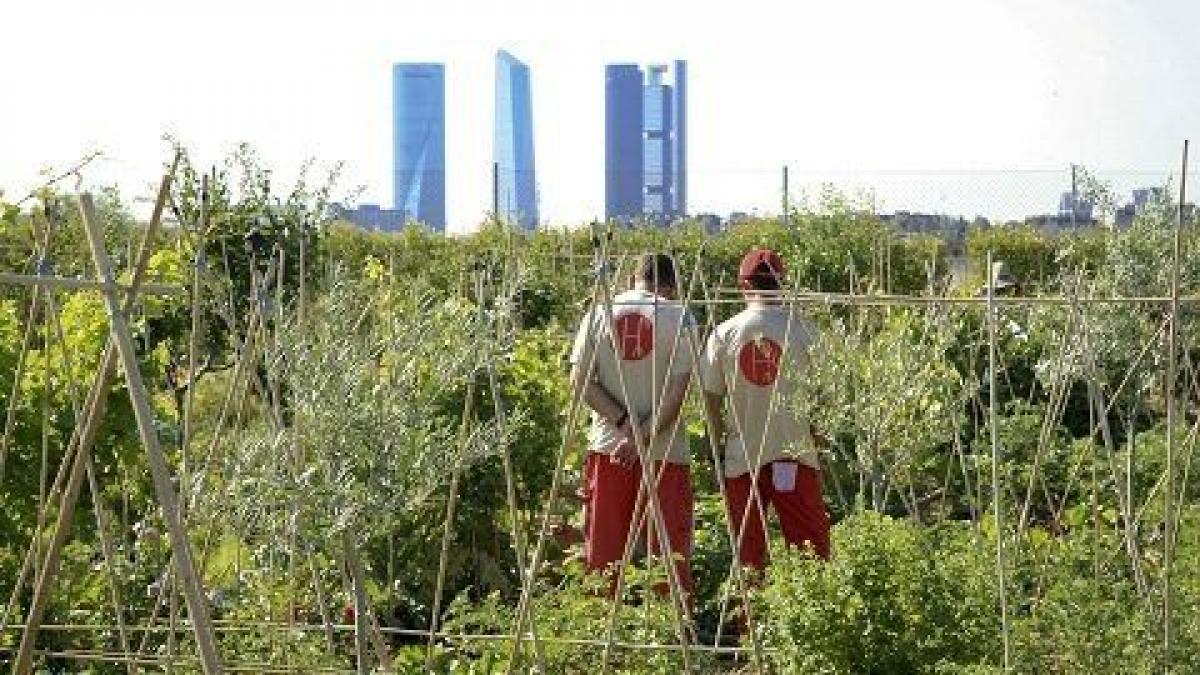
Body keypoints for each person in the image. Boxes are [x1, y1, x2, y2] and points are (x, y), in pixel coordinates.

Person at [569, 253, 698, 595]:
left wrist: (623, 423)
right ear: (671, 286)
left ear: (633, 279)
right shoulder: (679, 316)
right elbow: (677, 394)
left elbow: (580, 381)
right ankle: (674, 631)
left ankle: (598, 623)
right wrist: (642, 435)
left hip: (608, 449)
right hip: (665, 451)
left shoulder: (599, 313)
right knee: (669, 552)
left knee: (604, 550)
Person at [700, 248, 831, 574]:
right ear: (782, 284)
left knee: (748, 557)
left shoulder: (724, 334)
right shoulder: (805, 332)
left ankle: (749, 622)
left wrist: (717, 447)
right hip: (796, 455)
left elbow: (711, 401)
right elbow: (824, 401)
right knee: (811, 553)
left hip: (743, 457)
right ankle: (812, 623)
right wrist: (819, 446)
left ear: (744, 286)